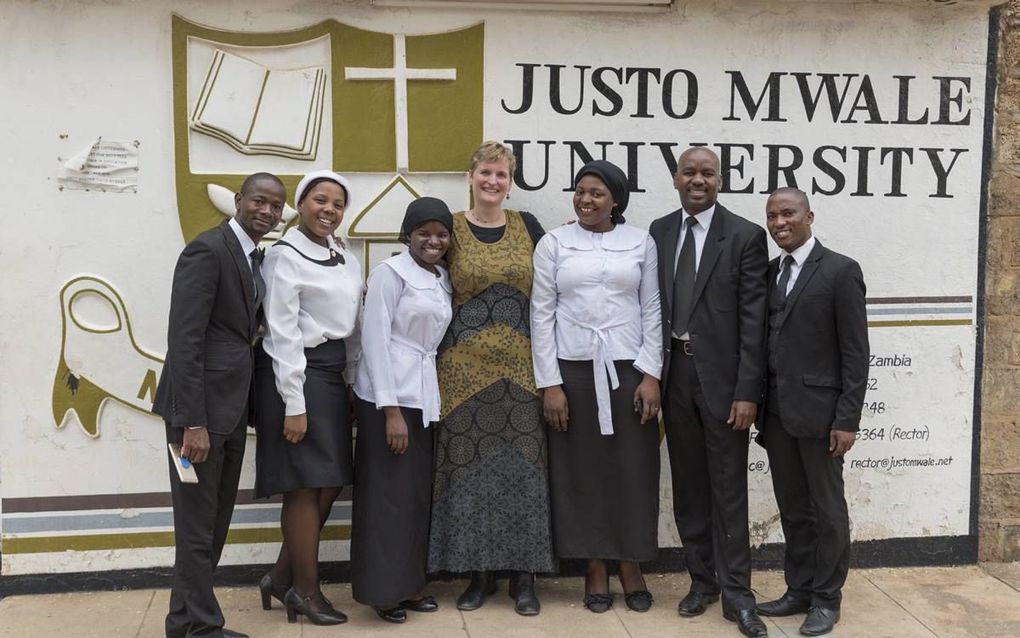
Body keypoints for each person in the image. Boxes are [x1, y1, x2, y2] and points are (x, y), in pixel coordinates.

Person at [154, 172, 285, 638]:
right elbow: (185, 340)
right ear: (238, 200)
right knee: (196, 527)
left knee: (211, 525)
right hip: (197, 417)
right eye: (259, 201)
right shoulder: (207, 250)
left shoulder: (252, 258)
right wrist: (192, 422)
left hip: (228, 412)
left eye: (275, 206)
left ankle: (182, 624)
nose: (267, 212)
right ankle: (205, 628)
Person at [530, 160, 662, 614]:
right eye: (580, 191)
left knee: (632, 469)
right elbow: (541, 315)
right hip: (572, 373)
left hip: (628, 371)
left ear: (616, 201)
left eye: (597, 193)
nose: (586, 200)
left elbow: (652, 310)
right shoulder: (554, 243)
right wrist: (550, 384)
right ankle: (595, 566)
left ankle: (631, 564)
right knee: (581, 471)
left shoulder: (641, 241)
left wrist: (650, 375)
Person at [429, 140, 553, 616]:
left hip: (522, 375)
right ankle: (478, 577)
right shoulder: (451, 230)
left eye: (502, 175)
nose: (493, 182)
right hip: (461, 376)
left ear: (510, 180)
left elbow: (552, 288)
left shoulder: (528, 227)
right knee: (467, 473)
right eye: (486, 173)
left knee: (524, 472)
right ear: (471, 175)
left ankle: (524, 579)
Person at [649, 147, 769, 638]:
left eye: (707, 173)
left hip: (724, 385)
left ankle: (738, 593)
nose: (698, 180)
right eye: (689, 172)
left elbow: (753, 322)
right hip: (673, 375)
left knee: (728, 491)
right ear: (676, 179)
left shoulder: (744, 236)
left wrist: (747, 392)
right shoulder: (658, 232)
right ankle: (702, 581)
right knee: (689, 488)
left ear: (720, 181)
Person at [754, 188, 868, 637]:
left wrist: (847, 418)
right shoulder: (769, 272)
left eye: (788, 213)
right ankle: (798, 588)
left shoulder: (840, 271)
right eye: (772, 215)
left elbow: (856, 353)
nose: (779, 222)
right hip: (778, 414)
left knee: (826, 509)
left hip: (822, 416)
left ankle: (826, 598)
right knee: (793, 507)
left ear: (809, 216)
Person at [253, 170, 363, 626]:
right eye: (320, 200)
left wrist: (355, 383)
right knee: (303, 484)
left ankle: (280, 578)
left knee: (330, 478)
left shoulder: (344, 254)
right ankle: (305, 591)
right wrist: (293, 403)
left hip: (331, 375)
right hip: (293, 374)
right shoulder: (284, 256)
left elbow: (353, 328)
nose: (329, 210)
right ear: (302, 203)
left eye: (337, 203)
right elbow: (281, 332)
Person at [351, 197, 454, 624]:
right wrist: (389, 411)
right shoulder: (389, 275)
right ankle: (382, 591)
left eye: (442, 233)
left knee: (412, 497)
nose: (433, 241)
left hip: (423, 395)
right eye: (424, 232)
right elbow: (374, 343)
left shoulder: (443, 277)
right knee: (386, 498)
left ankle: (411, 584)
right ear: (407, 234)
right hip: (388, 398)